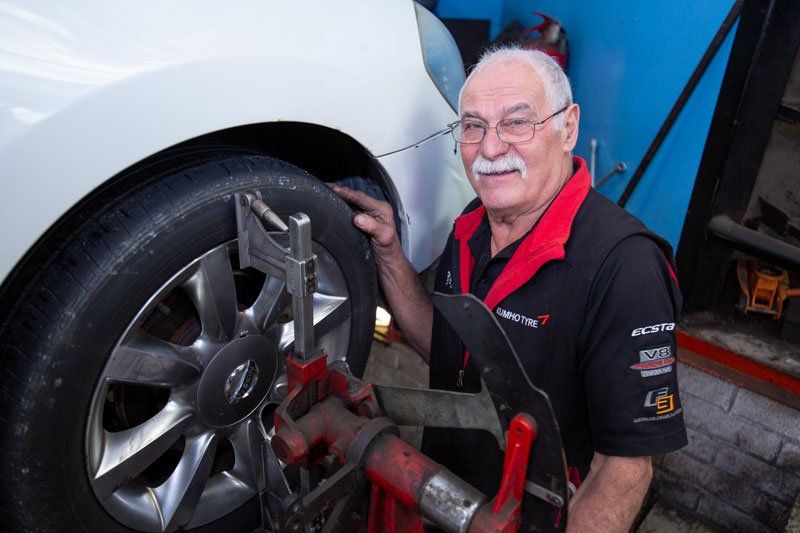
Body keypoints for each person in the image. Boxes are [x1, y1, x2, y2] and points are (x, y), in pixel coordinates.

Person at [330, 45, 687, 531]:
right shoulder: (468, 230)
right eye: (473, 126)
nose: (491, 148)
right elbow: (447, 350)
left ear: (569, 128)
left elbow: (623, 468)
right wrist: (391, 254)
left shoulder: (624, 266)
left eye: (517, 122)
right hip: (444, 500)